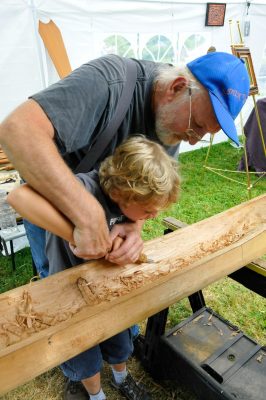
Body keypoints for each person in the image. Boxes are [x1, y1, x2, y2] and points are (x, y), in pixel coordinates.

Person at [0, 52, 250, 274]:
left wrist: (134, 227)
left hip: (103, 228)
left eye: (204, 133)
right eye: (196, 126)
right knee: (54, 283)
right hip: (48, 201)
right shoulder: (108, 81)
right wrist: (87, 215)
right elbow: (17, 130)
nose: (193, 142)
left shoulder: (175, 119)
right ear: (177, 87)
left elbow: (149, 194)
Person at [8, 135, 180, 400]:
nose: (153, 216)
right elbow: (18, 197)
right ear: (121, 194)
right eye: (148, 211)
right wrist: (75, 234)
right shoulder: (82, 188)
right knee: (82, 353)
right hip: (69, 295)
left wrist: (132, 230)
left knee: (120, 340)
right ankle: (96, 395)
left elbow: (132, 221)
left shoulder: (127, 202)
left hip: (108, 289)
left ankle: (122, 379)